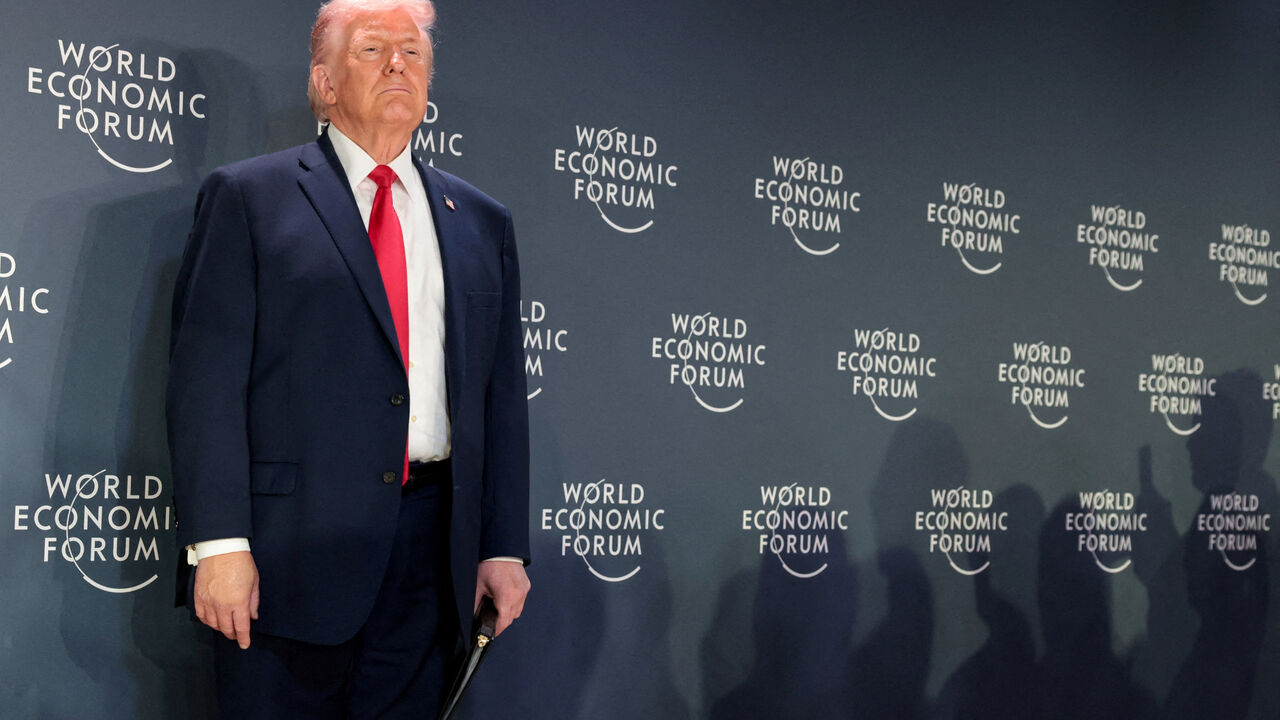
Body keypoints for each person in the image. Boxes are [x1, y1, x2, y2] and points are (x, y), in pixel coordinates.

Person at [166, 0, 531, 716]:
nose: (399, 63)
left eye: (414, 52)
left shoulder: (482, 220)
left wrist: (504, 546)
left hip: (435, 560)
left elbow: (500, 395)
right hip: (285, 560)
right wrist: (218, 545)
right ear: (325, 84)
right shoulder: (250, 197)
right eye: (372, 49)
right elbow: (206, 386)